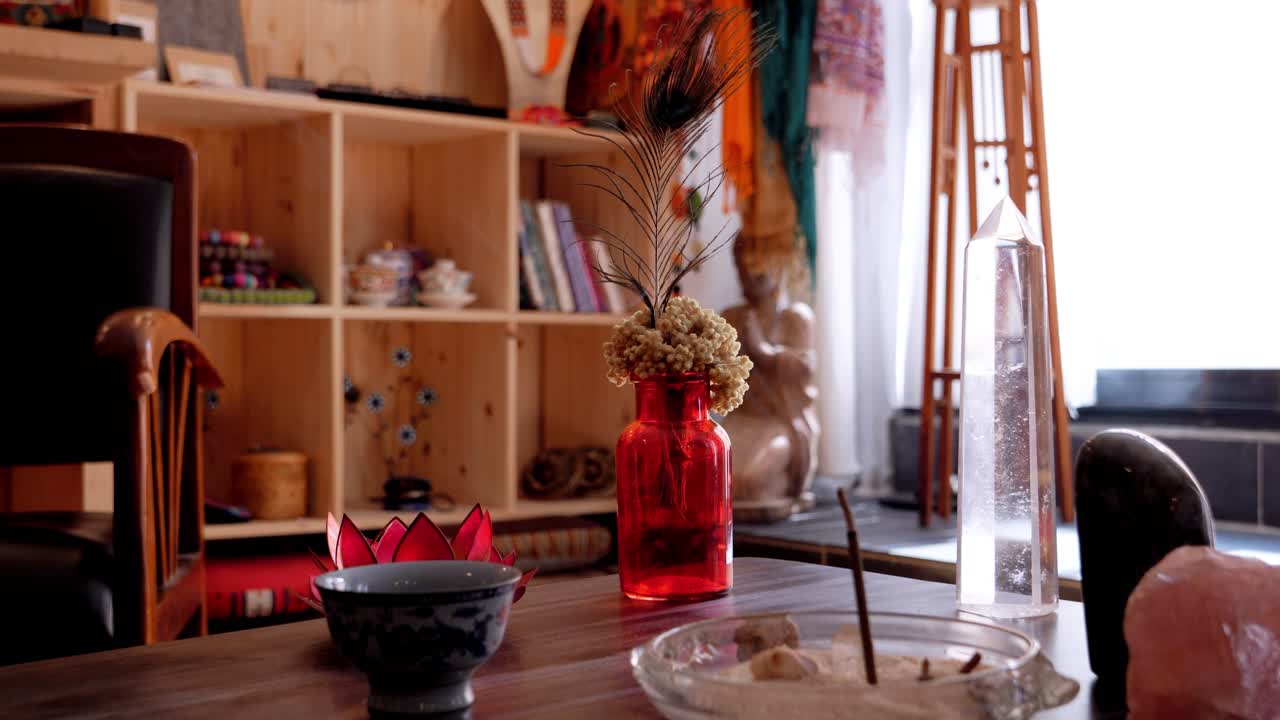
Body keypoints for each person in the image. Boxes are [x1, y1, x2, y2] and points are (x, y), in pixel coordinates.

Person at [721, 236, 819, 522]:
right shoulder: (731, 316)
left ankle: (785, 489)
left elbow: (803, 373)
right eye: (744, 265)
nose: (752, 273)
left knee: (750, 478)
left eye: (759, 264)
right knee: (715, 476)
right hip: (743, 421)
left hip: (781, 423)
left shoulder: (795, 318)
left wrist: (764, 352)